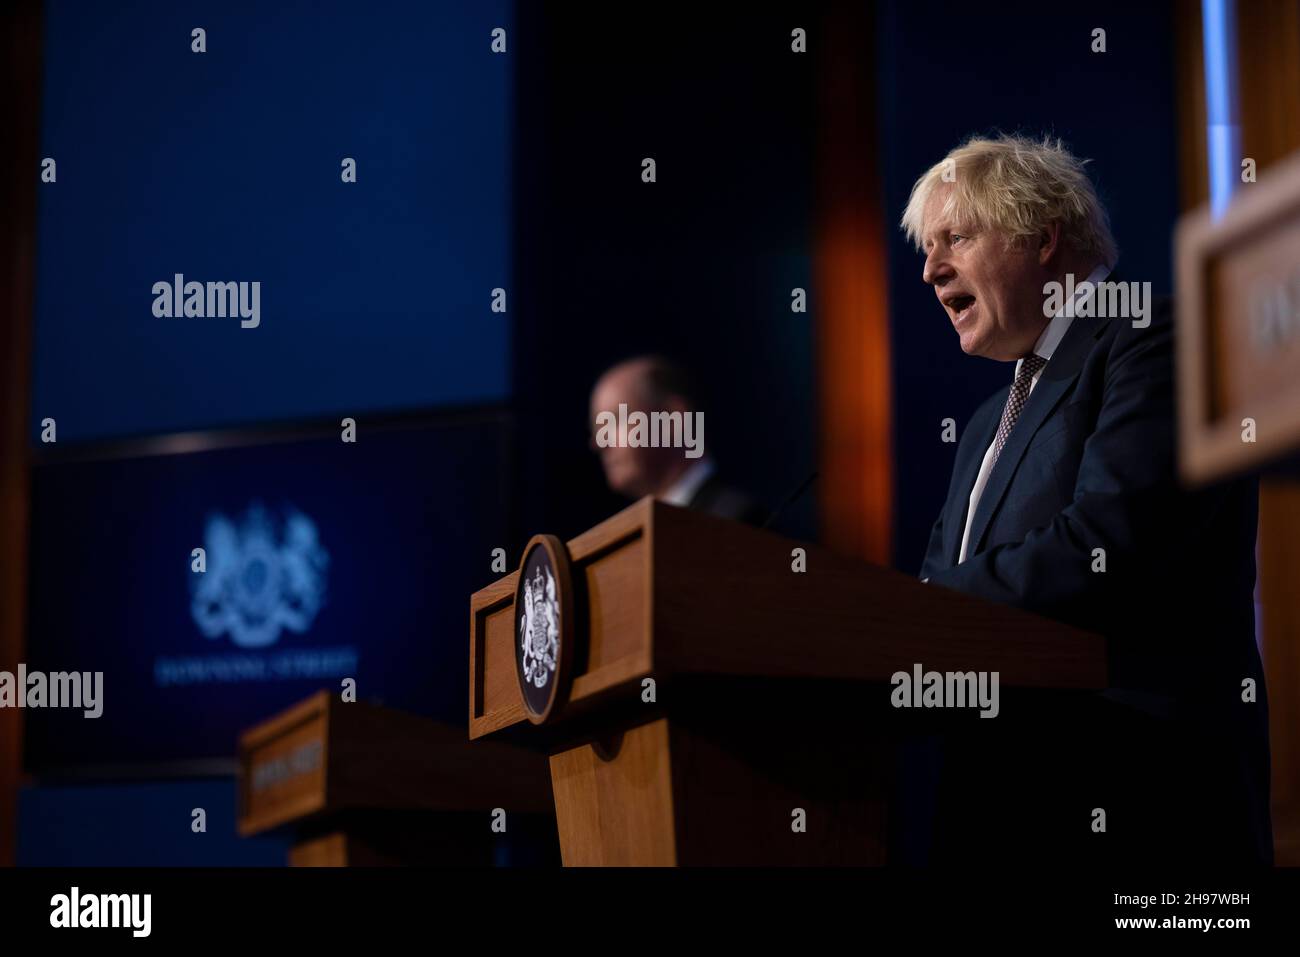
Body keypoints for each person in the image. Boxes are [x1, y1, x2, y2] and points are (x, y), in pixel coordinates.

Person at [901, 133, 1271, 864]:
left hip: (1139, 792)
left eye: (956, 238)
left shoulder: (1154, 338)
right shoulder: (983, 424)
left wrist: (916, 609)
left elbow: (1108, 544)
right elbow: (943, 577)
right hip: (1001, 796)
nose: (929, 269)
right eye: (927, 247)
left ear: (1043, 239)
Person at [589, 356, 764, 525]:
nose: (599, 443)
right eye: (598, 428)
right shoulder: (635, 541)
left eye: (615, 420)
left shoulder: (735, 521)